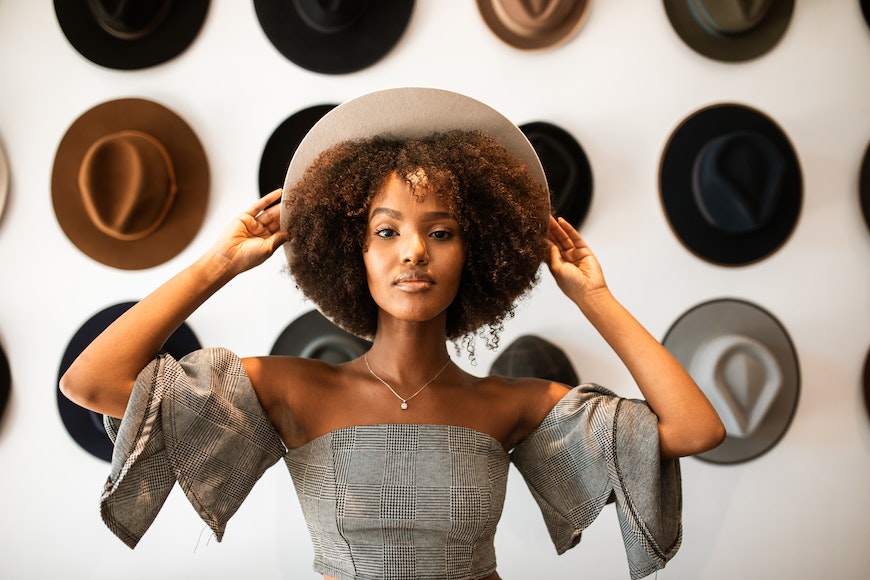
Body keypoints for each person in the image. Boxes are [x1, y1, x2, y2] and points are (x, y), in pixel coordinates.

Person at [60, 88, 724, 580]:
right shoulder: (292, 389)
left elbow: (695, 430)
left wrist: (595, 299)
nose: (414, 251)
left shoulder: (513, 406)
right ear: (353, 252)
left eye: (441, 231)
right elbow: (92, 382)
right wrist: (219, 264)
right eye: (386, 230)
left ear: (477, 251)